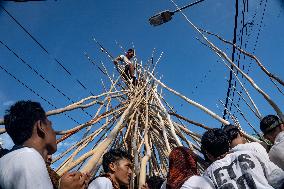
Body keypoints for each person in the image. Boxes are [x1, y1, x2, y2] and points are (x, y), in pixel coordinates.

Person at [0, 100, 89, 189]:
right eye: (51, 126)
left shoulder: (9, 159)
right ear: (41, 126)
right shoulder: (28, 157)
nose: (54, 133)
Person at [202, 128, 284, 189]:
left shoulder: (207, 176)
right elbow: (278, 179)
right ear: (228, 143)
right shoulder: (250, 154)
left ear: (208, 154)